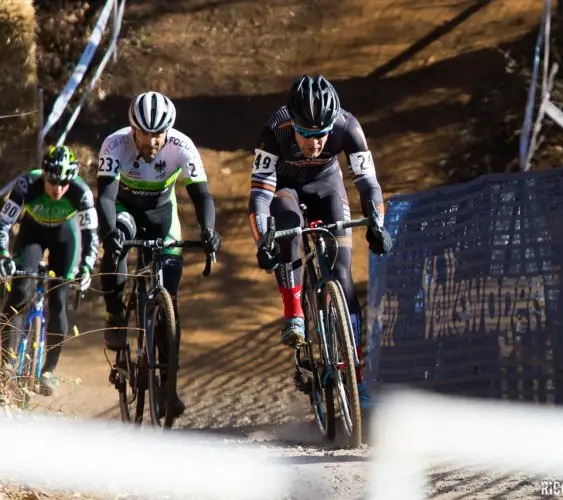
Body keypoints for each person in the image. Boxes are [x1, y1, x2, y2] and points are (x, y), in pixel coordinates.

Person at [248, 74, 393, 408]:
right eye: (307, 134)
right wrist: (263, 242)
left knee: (342, 273)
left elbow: (368, 183)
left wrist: (377, 224)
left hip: (327, 185)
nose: (315, 143)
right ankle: (295, 313)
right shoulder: (275, 129)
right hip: (284, 187)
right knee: (287, 226)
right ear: (293, 124)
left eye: (321, 134)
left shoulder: (348, 126)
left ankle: (355, 376)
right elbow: (259, 194)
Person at [96, 90, 222, 417]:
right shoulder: (114, 145)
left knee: (170, 301)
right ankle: (115, 314)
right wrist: (111, 236)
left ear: (168, 131)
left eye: (158, 134)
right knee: (116, 249)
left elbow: (202, 195)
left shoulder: (182, 147)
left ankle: (167, 387)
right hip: (124, 211)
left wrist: (208, 230)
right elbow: (107, 198)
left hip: (162, 215)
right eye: (145, 133)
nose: (151, 142)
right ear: (132, 129)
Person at [0, 145, 97, 395]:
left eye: (64, 183)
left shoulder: (81, 192)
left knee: (59, 300)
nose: (58, 188)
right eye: (53, 181)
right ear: (44, 173)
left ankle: (48, 370)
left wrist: (86, 266)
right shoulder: (26, 184)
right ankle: (7, 363)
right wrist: (3, 256)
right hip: (32, 234)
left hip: (64, 238)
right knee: (21, 290)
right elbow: (3, 223)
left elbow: (91, 236)